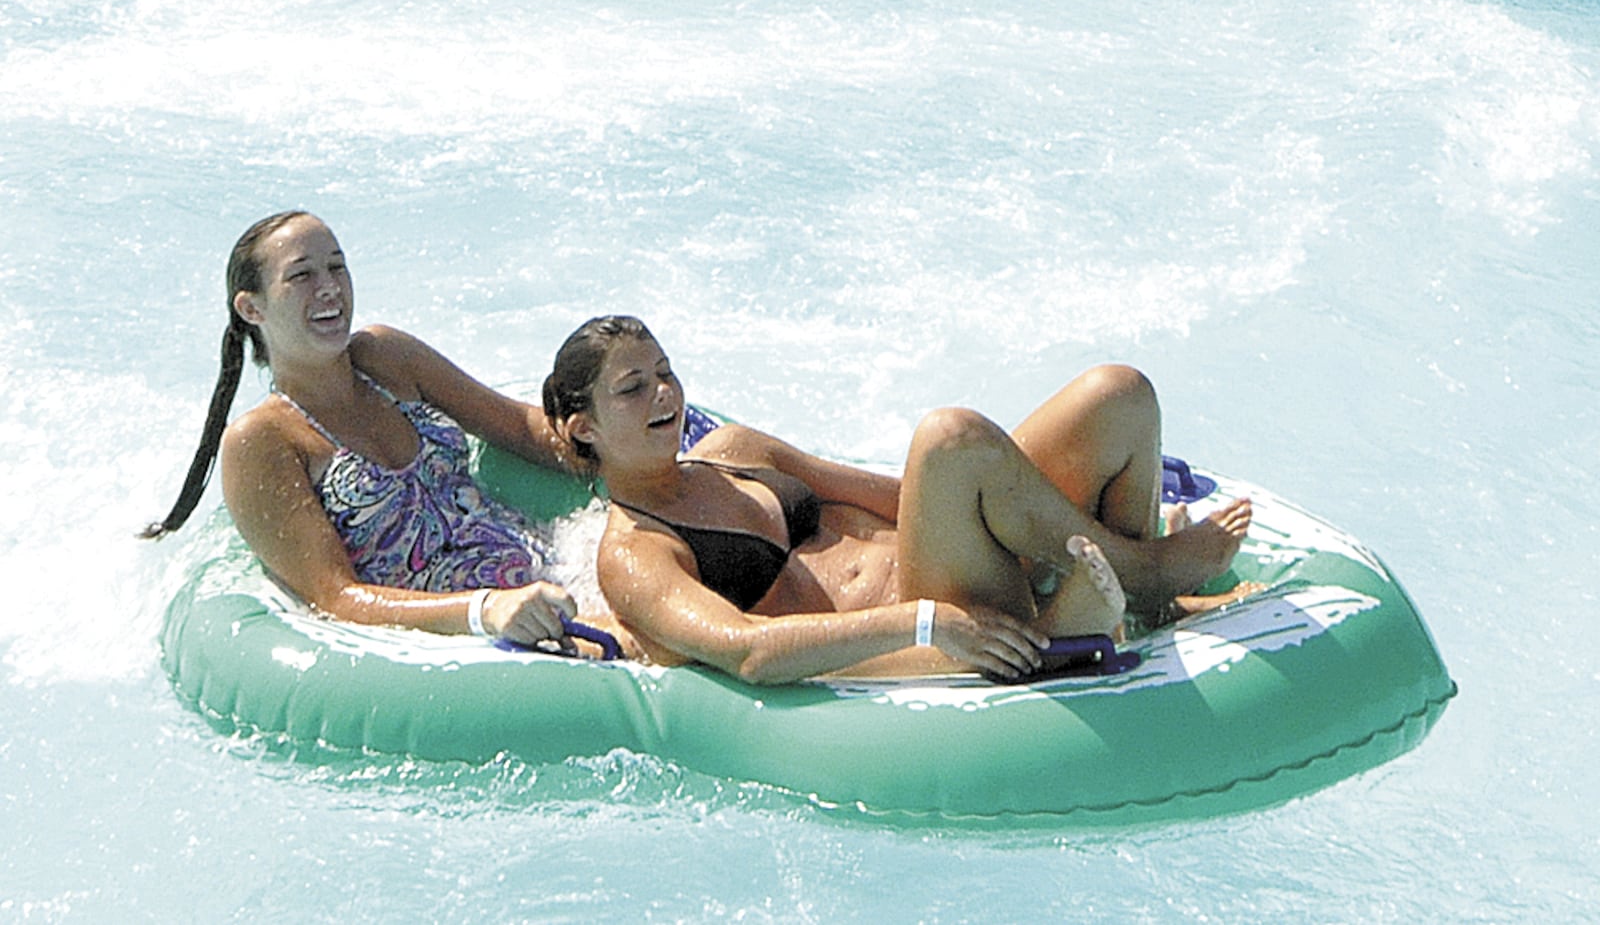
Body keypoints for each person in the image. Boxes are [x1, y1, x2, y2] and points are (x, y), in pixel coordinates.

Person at [541, 316, 1254, 688]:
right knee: (945, 437)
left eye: (665, 372)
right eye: (632, 387)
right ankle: (1139, 577)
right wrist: (925, 623)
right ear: (583, 427)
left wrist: (1021, 512)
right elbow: (747, 650)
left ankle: (1140, 595)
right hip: (942, 616)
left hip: (968, 560)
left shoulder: (734, 450)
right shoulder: (635, 552)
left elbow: (894, 495)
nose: (663, 393)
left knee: (1117, 392)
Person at [143, 210, 591, 653]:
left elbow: (516, 426)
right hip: (470, 634)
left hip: (550, 569)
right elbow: (336, 598)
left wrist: (631, 452)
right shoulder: (264, 440)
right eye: (301, 276)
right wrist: (485, 611)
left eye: (337, 266)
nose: (330, 288)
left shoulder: (386, 358)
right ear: (251, 307)